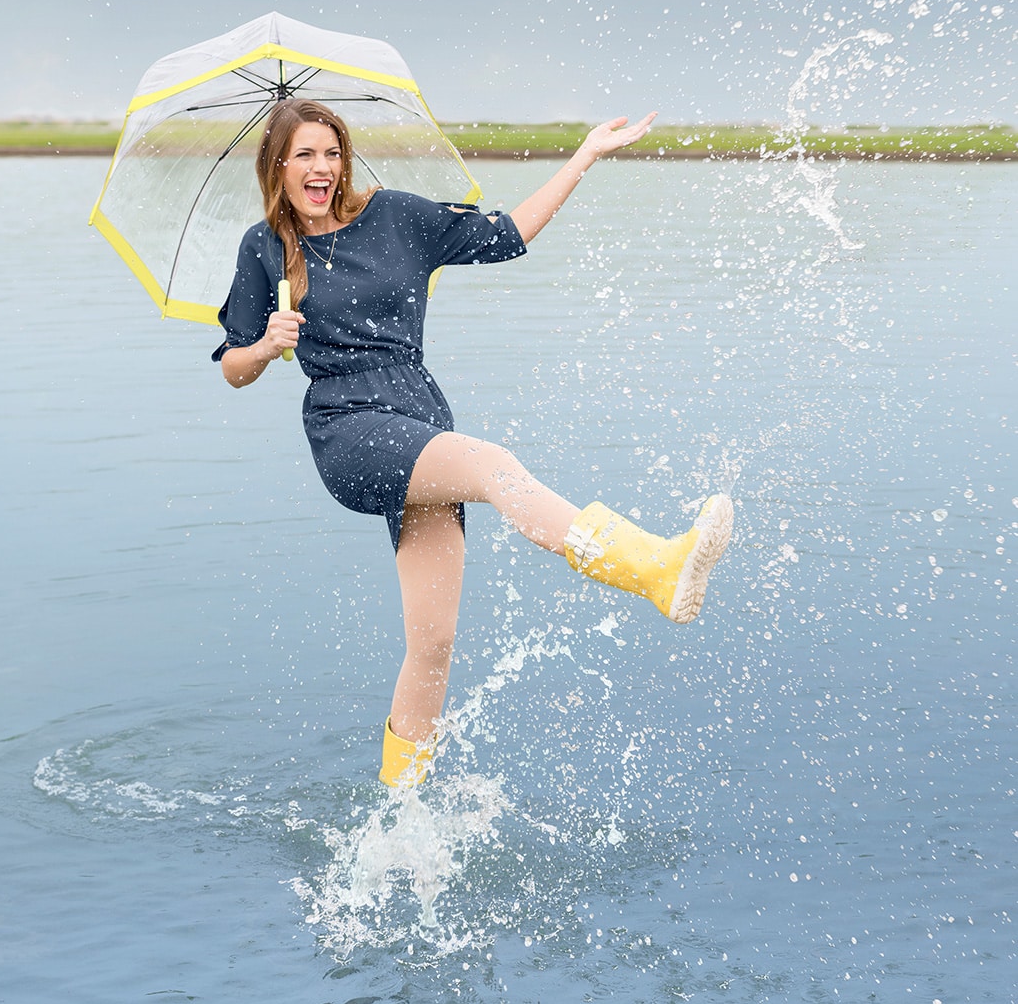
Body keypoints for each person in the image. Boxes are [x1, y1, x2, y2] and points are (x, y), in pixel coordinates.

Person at [213, 98, 733, 788]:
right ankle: (653, 570)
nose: (321, 168)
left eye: (331, 153)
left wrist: (581, 157)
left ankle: (401, 810)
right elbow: (231, 368)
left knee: (433, 643)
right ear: (277, 166)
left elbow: (510, 233)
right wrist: (265, 344)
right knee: (494, 468)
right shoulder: (265, 248)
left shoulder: (395, 216)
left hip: (419, 415)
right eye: (304, 155)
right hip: (348, 427)